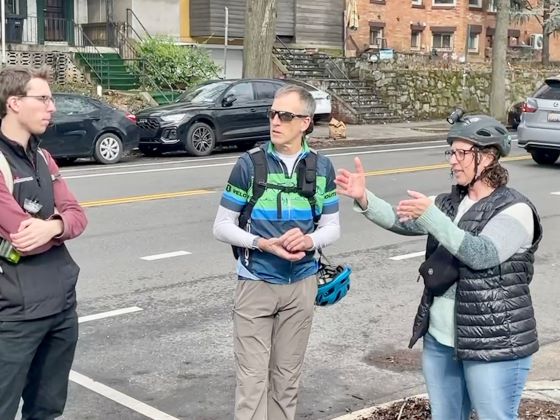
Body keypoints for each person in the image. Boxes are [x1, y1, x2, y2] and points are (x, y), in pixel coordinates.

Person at [335, 111, 542, 420]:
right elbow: (400, 220)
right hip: (442, 340)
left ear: (488, 157)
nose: (452, 161)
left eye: (462, 153)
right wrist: (365, 198)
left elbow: (482, 254)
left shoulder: (516, 209)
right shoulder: (450, 202)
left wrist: (431, 217)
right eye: (451, 152)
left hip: (494, 342)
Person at [213, 84, 340, 420]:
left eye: (285, 115)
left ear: (305, 122)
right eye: (272, 113)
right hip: (255, 283)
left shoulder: (321, 168)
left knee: (287, 381)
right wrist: (261, 244)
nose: (275, 121)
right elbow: (221, 226)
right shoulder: (249, 165)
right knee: (251, 383)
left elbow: (332, 227)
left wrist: (309, 241)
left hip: (301, 286)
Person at [0, 66, 88, 419]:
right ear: (14, 103)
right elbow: (23, 238)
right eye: (43, 99)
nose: (52, 107)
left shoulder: (43, 158)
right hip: (14, 317)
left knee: (47, 410)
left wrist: (53, 227)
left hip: (62, 309)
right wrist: (58, 227)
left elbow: (78, 215)